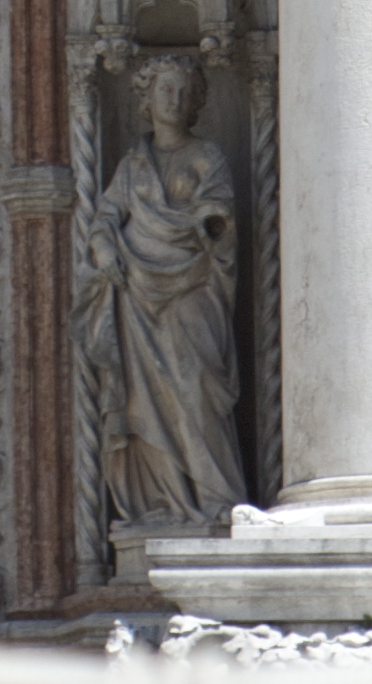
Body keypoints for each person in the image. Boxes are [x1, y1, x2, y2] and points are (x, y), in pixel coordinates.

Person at [77, 53, 249, 529]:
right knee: (143, 401)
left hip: (193, 290)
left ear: (195, 101)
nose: (174, 99)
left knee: (196, 388)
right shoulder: (133, 164)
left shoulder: (207, 156)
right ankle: (161, 501)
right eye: (165, 90)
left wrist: (211, 223)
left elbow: (219, 211)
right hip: (136, 292)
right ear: (147, 98)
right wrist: (104, 248)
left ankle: (215, 499)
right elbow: (105, 216)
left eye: (183, 91)